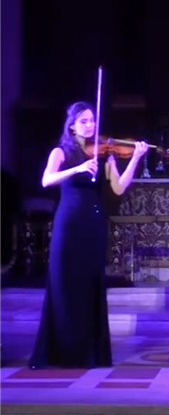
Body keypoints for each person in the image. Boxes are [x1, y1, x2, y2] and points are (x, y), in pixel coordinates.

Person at [29, 101, 148, 369]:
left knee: (90, 285)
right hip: (69, 223)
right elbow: (46, 180)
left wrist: (136, 159)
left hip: (93, 224)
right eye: (83, 121)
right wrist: (78, 169)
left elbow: (119, 188)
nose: (90, 125)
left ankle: (89, 354)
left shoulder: (104, 154)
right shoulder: (61, 152)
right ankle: (60, 352)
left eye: (92, 120)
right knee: (63, 284)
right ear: (72, 126)